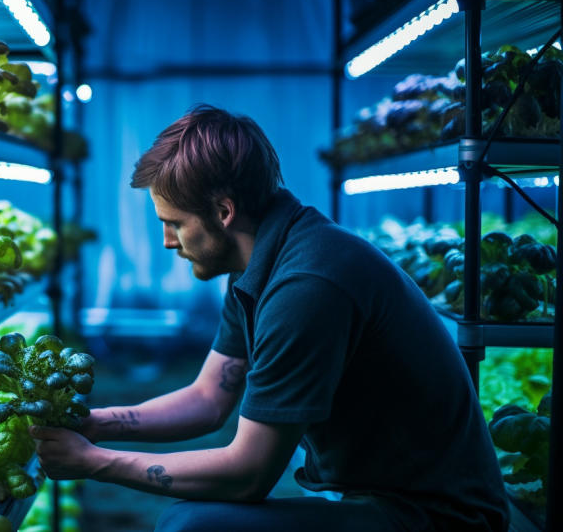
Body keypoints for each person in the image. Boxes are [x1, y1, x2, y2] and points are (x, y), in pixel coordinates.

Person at [29, 105, 509, 531]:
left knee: (191, 524)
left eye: (174, 223)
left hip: (439, 516)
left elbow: (248, 475)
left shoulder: (307, 284)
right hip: (375, 496)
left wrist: (94, 463)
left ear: (223, 211)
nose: (167, 242)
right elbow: (207, 399)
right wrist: (93, 424)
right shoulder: (265, 260)